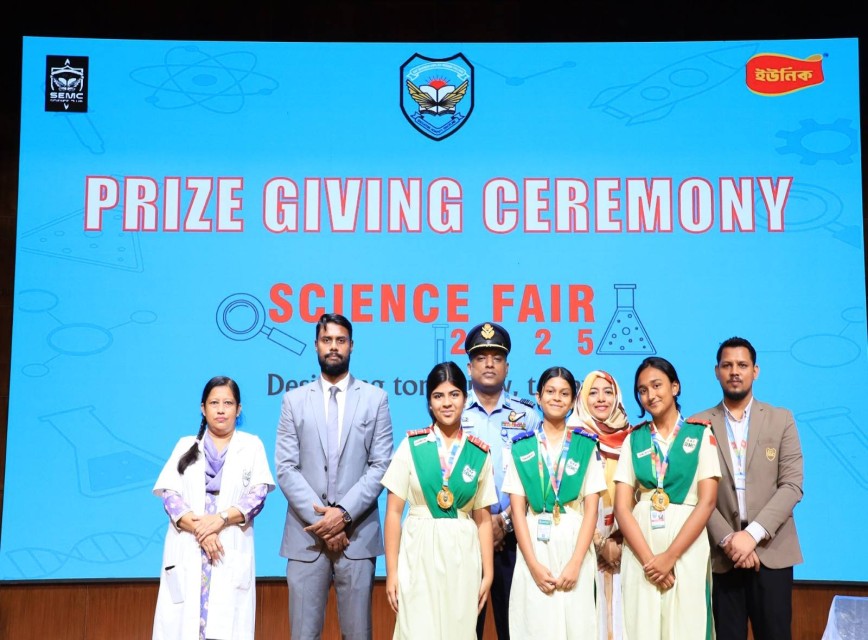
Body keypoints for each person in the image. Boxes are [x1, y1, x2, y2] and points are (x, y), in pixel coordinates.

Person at [275, 312, 394, 640]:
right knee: (303, 635)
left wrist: (342, 515)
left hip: (357, 536)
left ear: (351, 346)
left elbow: (381, 465)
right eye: (327, 340)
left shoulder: (375, 400)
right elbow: (286, 468)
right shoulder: (293, 401)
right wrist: (325, 523)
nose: (333, 347)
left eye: (340, 340)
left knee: (357, 635)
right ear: (316, 345)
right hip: (306, 537)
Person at [690, 337, 804, 640]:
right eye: (727, 365)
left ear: (755, 371)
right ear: (716, 371)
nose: (734, 372)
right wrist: (729, 539)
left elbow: (792, 485)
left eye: (742, 365)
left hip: (772, 550)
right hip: (721, 555)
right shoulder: (697, 425)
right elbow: (695, 493)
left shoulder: (781, 419)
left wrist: (751, 535)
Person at [152, 375, 275, 640]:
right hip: (189, 545)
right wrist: (203, 531)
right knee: (181, 627)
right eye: (214, 403)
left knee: (226, 627)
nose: (221, 410)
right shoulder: (185, 445)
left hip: (228, 543)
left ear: (238, 409)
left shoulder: (251, 446)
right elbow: (170, 496)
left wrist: (220, 520)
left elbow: (257, 496)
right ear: (203, 408)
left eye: (228, 403)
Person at [382, 361, 496, 639]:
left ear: (465, 399)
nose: (447, 403)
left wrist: (488, 573)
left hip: (463, 554)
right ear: (430, 403)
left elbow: (483, 519)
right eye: (438, 396)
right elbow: (394, 513)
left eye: (454, 394)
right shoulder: (411, 446)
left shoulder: (478, 453)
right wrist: (392, 572)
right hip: (417, 551)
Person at [613, 356, 721, 640]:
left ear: (675, 387)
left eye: (657, 385)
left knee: (687, 628)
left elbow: (708, 502)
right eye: (642, 390)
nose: (650, 395)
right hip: (641, 552)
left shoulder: (700, 434)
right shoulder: (633, 439)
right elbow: (622, 508)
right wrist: (651, 561)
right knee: (641, 629)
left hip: (686, 548)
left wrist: (670, 557)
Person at [502, 366, 605, 639]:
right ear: (538, 397)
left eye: (564, 393)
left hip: (575, 544)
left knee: (578, 628)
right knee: (535, 627)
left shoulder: (586, 445)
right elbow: (517, 511)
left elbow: (591, 510)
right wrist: (533, 565)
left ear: (573, 402)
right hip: (534, 546)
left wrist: (576, 563)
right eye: (550, 391)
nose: (557, 398)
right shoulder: (522, 446)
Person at [461, 321, 541, 640]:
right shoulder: (455, 412)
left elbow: (538, 478)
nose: (489, 364)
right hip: (467, 534)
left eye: (497, 357)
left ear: (507, 367)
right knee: (465, 628)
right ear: (469, 367)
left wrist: (504, 522)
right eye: (481, 358)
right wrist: (480, 523)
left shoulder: (528, 416)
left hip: (513, 537)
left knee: (516, 628)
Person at [567, 369, 632, 640]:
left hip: (626, 548)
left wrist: (620, 541)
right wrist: (599, 543)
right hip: (582, 547)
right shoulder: (572, 440)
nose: (601, 399)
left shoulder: (632, 439)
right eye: (592, 393)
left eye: (608, 392)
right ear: (582, 399)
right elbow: (568, 499)